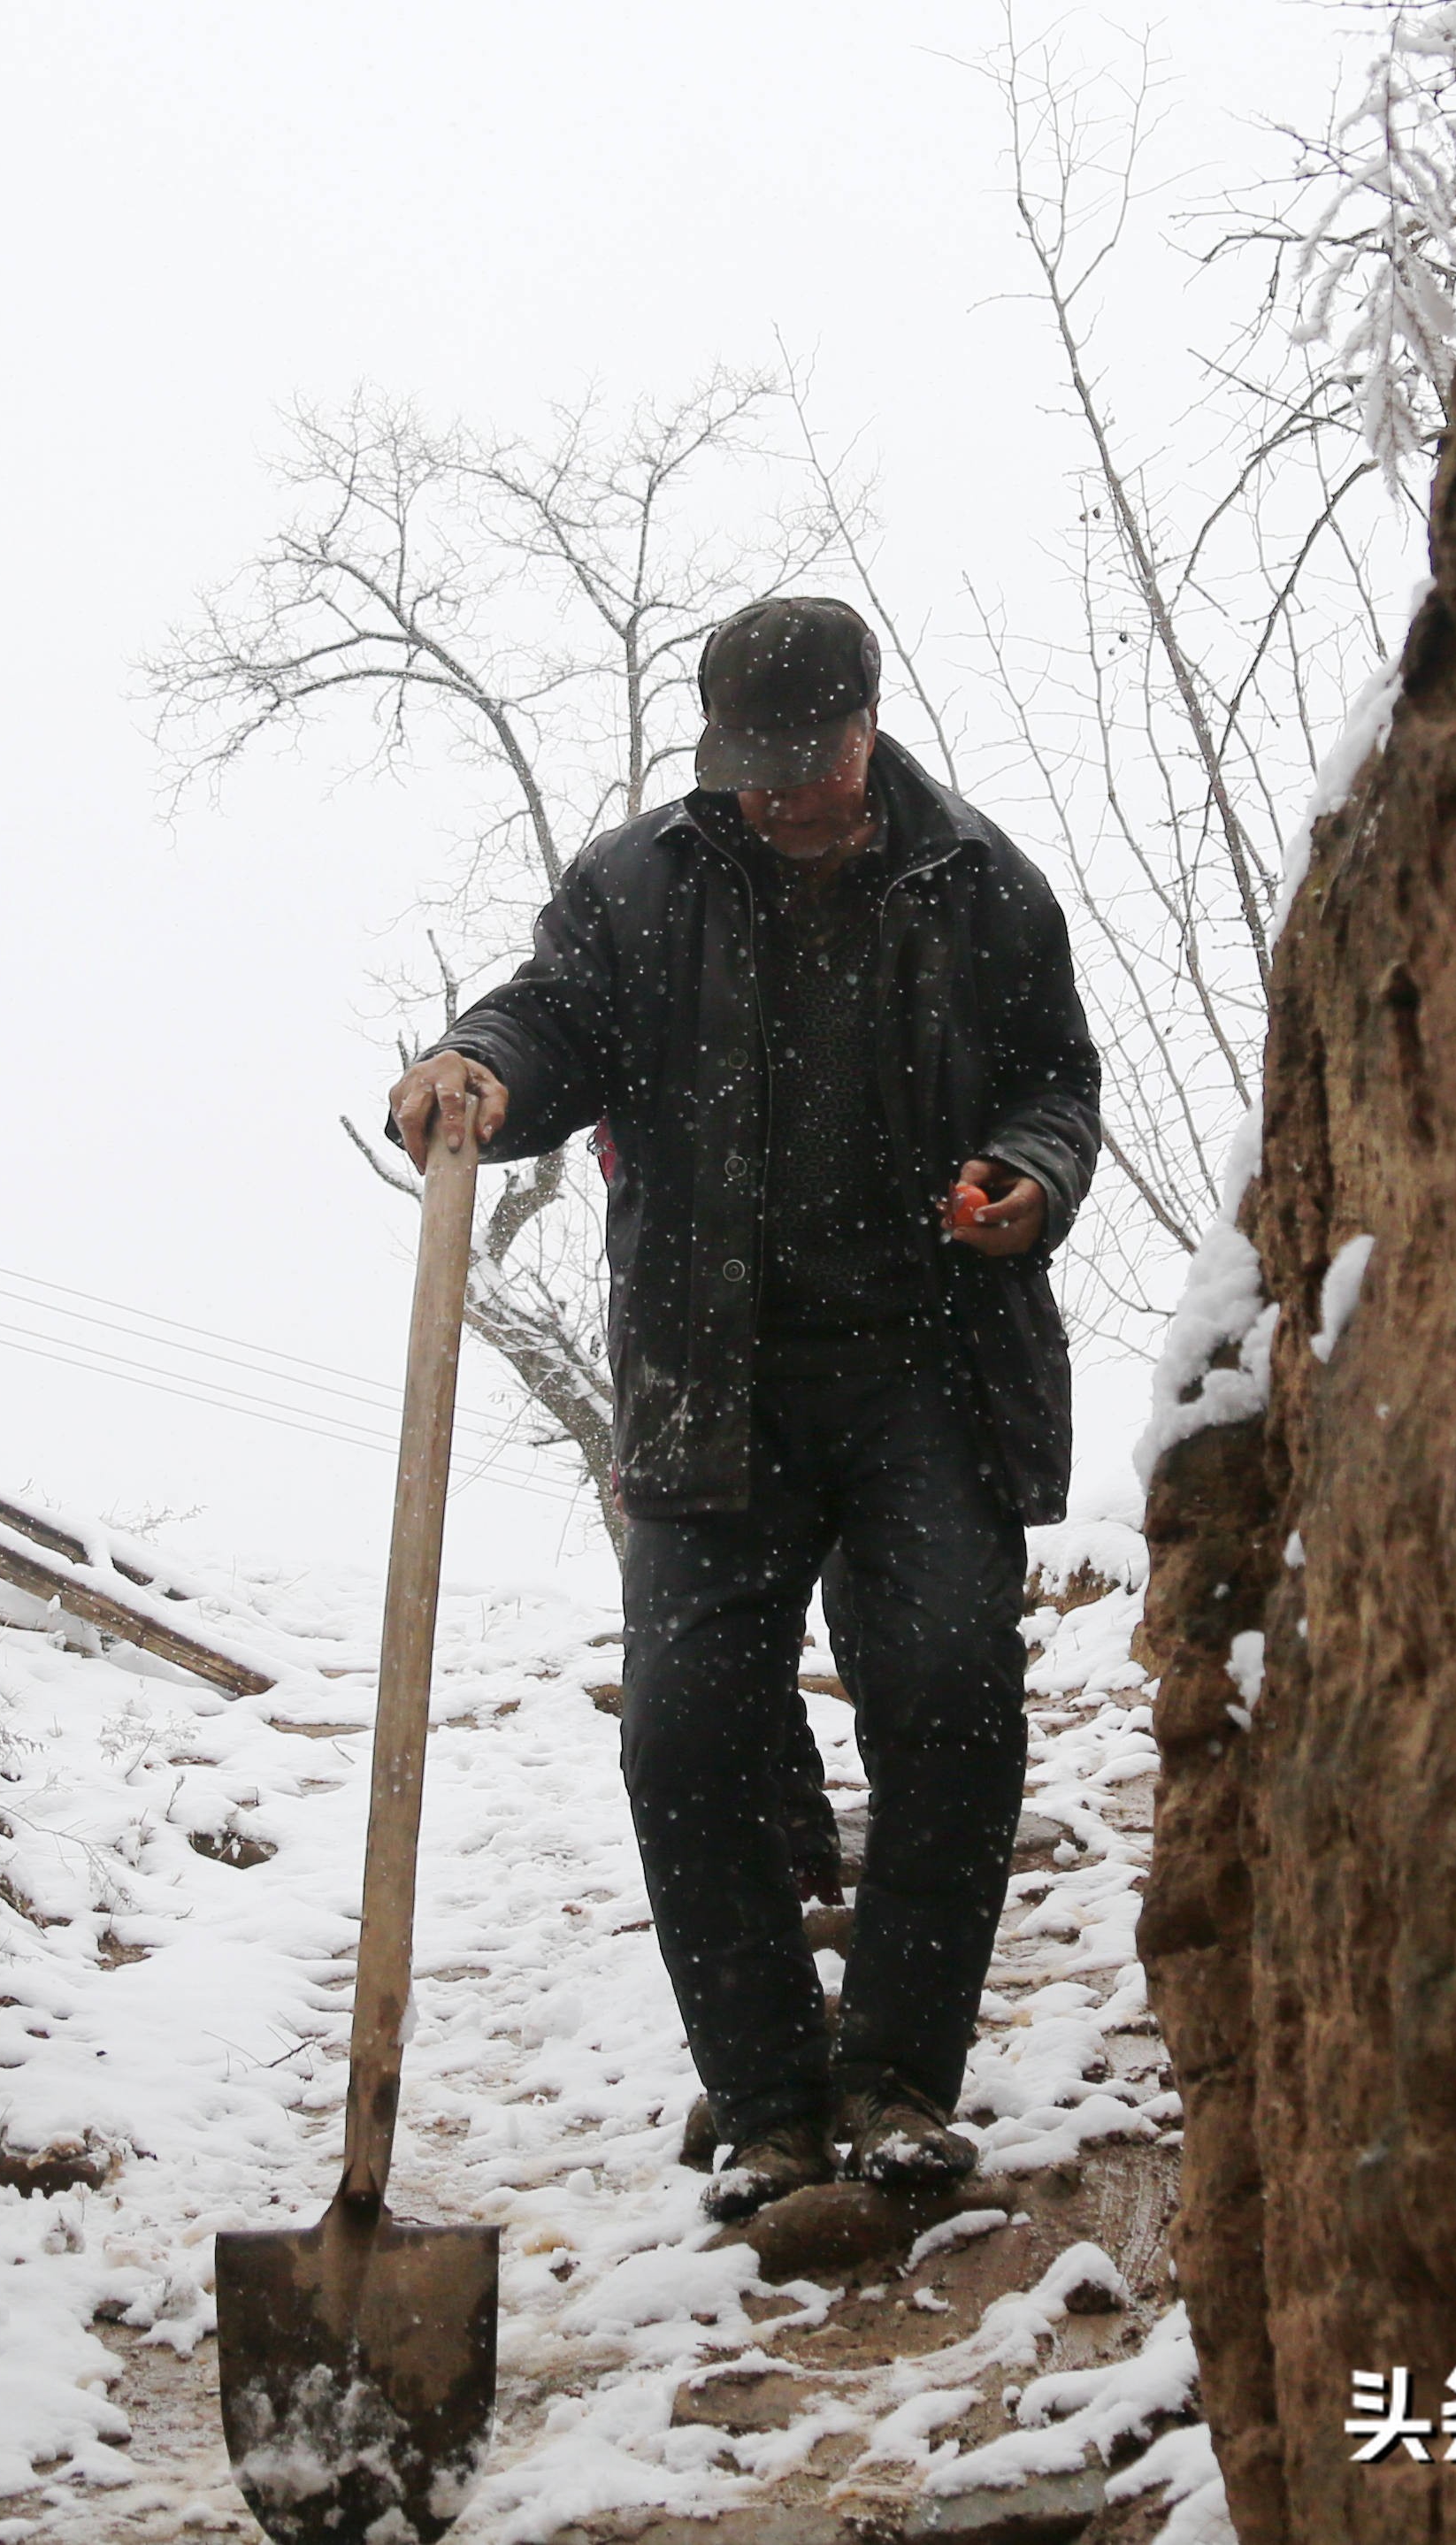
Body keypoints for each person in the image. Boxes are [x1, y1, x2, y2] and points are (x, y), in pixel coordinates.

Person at [386, 595, 1100, 2220]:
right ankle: (770, 2095)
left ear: (868, 729)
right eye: (752, 768)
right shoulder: (644, 887)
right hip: (717, 1376)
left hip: (929, 1360)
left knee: (947, 1693)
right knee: (688, 1732)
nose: (779, 797)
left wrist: (1031, 1178)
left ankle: (902, 2075)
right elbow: (549, 1014)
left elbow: (1058, 1082)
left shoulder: (983, 887)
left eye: (809, 764)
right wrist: (479, 1069)